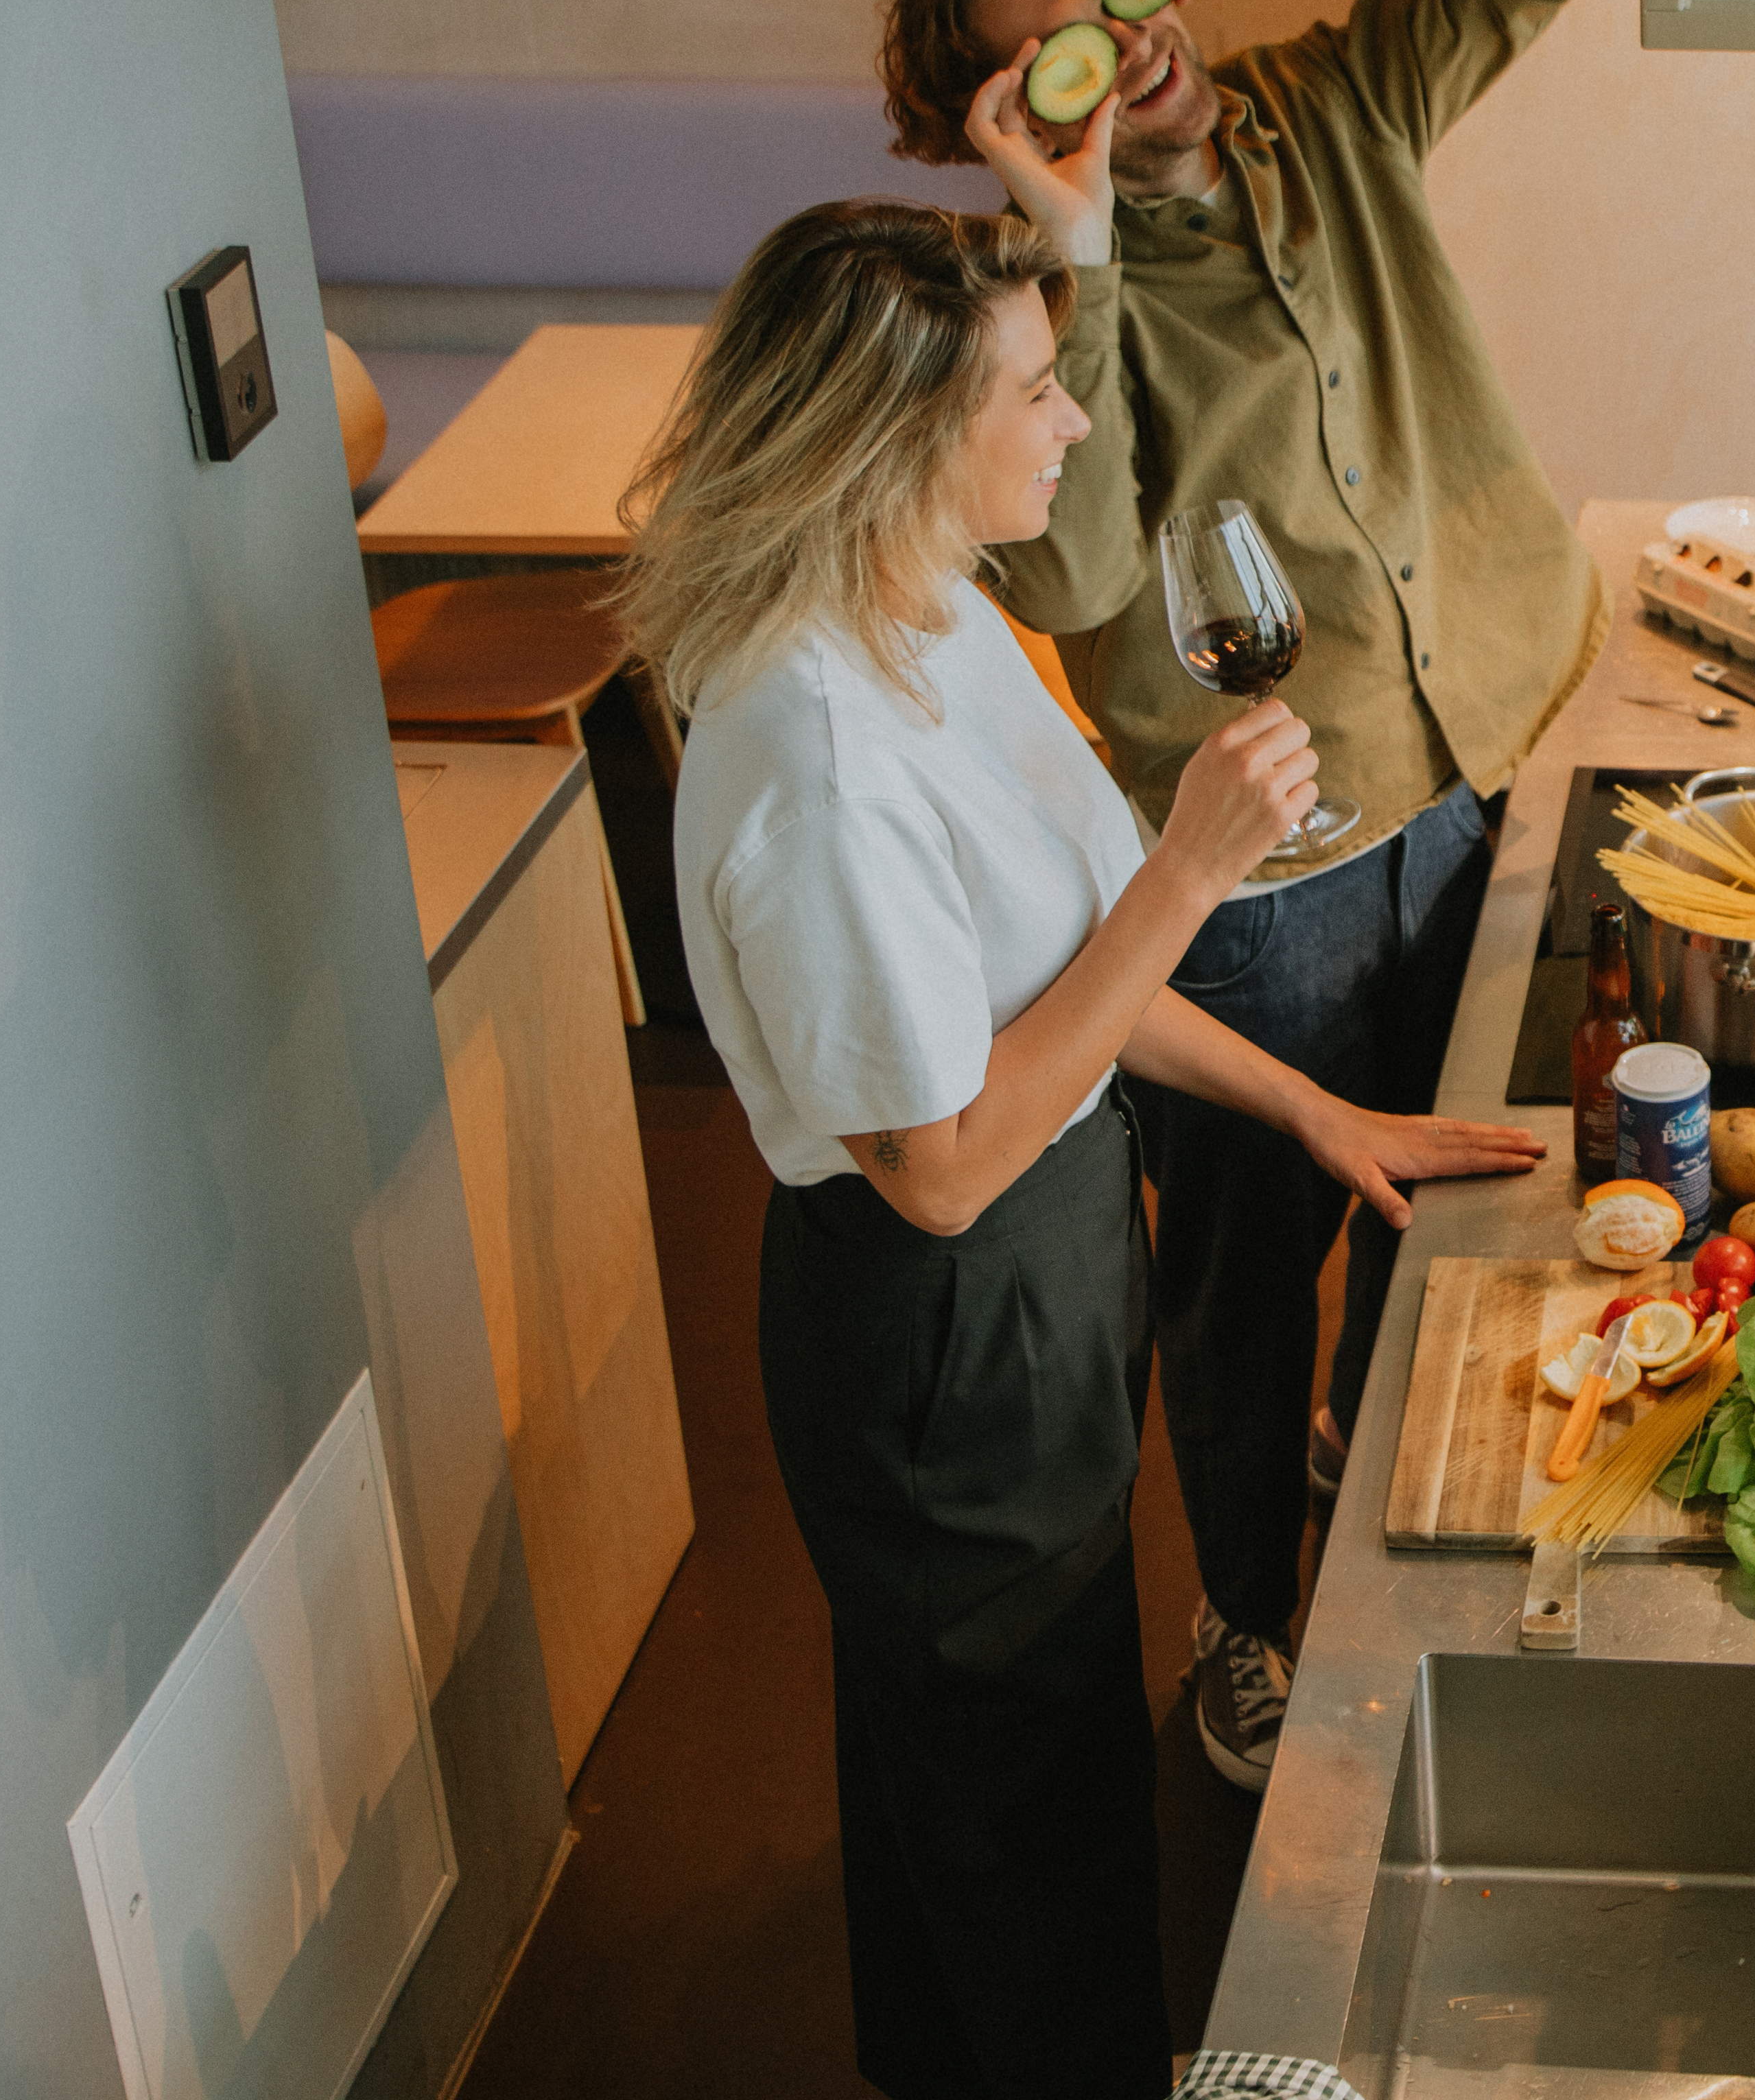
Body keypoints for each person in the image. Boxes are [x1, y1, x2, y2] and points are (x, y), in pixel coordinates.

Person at [620, 200, 1542, 2100]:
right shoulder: (815, 748)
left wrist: (1312, 1108)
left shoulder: (932, 601)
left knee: (954, 1774)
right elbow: (942, 1159)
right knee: (1033, 1823)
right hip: (942, 1314)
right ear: (896, 437)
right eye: (1036, 391)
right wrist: (1203, 867)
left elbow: (1075, 967)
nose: (1070, 425)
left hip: (1030, 1269)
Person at [875, 0, 1603, 1786]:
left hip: (1461, 777)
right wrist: (1080, 241)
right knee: (1239, 1286)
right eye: (1052, 63)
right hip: (1259, 873)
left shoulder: (1332, 100)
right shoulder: (1022, 314)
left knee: (1432, 1215)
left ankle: (1373, 1554)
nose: (1117, 58)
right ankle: (1253, 1619)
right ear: (1003, 120)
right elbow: (1084, 571)